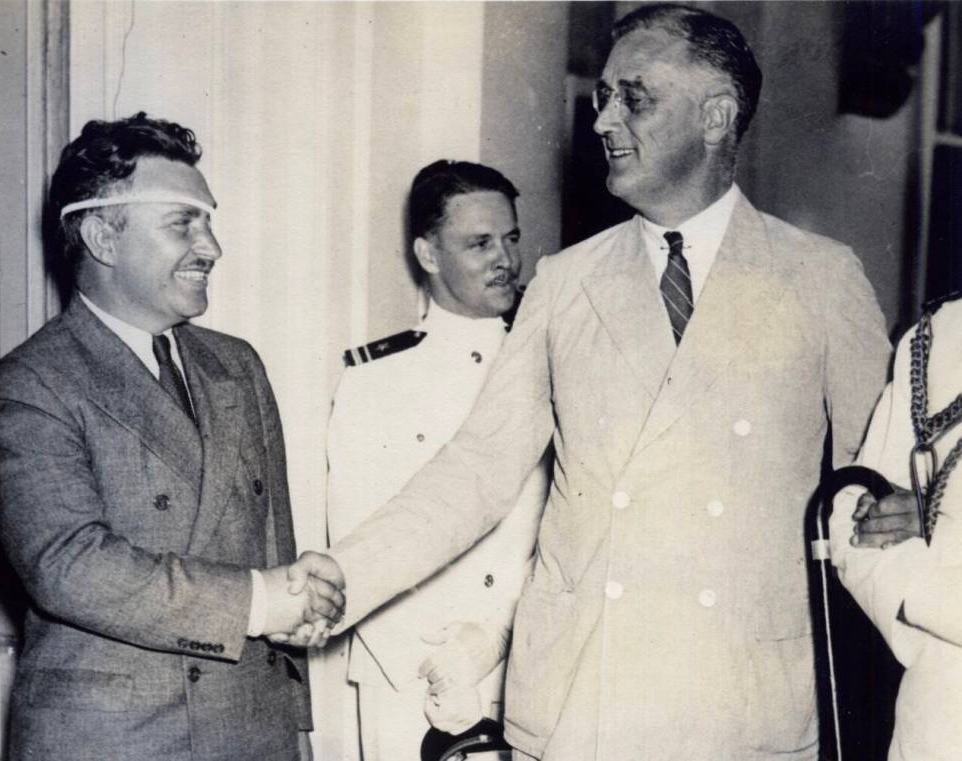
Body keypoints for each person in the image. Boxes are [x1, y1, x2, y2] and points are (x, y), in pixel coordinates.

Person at [312, 5, 891, 759]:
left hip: (740, 705)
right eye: (602, 98)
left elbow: (872, 492)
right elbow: (474, 470)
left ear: (716, 115)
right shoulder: (565, 281)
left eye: (634, 97)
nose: (604, 121)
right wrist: (335, 578)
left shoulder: (821, 278)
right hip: (585, 700)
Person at [0, 113, 345, 761]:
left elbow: (273, 539)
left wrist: (297, 729)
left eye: (208, 220)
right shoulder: (30, 384)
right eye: (183, 222)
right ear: (102, 237)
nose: (211, 247)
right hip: (114, 738)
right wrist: (260, 601)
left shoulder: (239, 365)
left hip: (248, 729)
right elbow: (70, 566)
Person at [324, 160, 549, 761]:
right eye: (479, 243)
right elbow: (359, 539)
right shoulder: (377, 381)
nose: (504, 258)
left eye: (511, 238)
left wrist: (494, 641)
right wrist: (430, 668)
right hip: (409, 679)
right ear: (428, 254)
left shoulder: (550, 362)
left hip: (525, 664)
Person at [832, 294, 962, 761]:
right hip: (942, 719)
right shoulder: (941, 335)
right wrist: (913, 593)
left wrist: (939, 534)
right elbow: (852, 509)